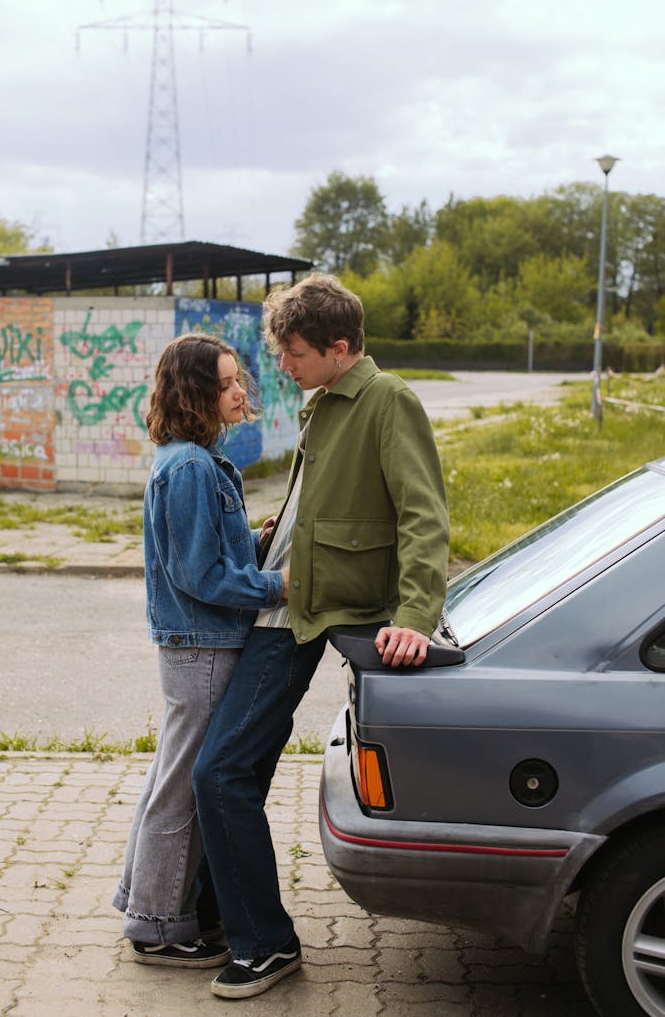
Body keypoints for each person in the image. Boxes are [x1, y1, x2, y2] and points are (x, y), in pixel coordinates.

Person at [193, 272, 450, 999]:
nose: (282, 366)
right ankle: (223, 916)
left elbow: (423, 516)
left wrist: (412, 616)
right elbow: (327, 500)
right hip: (286, 601)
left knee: (219, 773)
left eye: (295, 353)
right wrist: (279, 528)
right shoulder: (324, 400)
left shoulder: (387, 399)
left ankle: (264, 944)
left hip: (317, 612)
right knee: (231, 772)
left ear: (340, 348)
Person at [112, 332, 288, 969]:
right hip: (203, 645)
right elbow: (199, 573)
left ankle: (146, 908)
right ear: (197, 394)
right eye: (227, 383)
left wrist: (251, 534)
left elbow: (205, 546)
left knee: (172, 779)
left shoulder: (190, 459)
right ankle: (157, 927)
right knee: (184, 789)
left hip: (196, 643)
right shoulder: (188, 466)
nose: (241, 392)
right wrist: (277, 583)